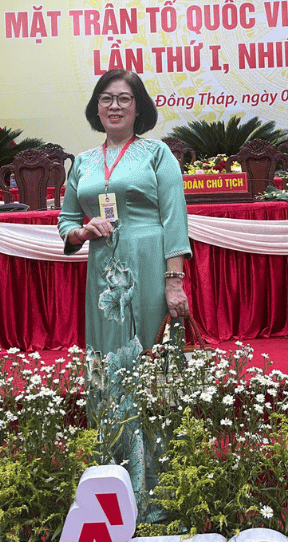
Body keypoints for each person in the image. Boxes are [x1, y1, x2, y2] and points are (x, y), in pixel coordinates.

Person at [58, 69, 191, 517]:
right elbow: (65, 220)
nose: (115, 106)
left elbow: (174, 218)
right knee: (108, 366)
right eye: (107, 98)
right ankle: (113, 485)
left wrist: (174, 280)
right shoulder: (82, 162)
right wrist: (81, 231)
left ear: (139, 108)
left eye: (125, 99)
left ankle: (162, 490)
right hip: (104, 277)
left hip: (150, 265)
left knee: (154, 368)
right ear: (96, 108)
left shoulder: (157, 154)